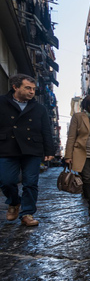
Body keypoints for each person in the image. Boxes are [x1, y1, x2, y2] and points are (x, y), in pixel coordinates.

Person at [0, 74, 55, 226]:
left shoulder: (39, 108)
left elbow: (46, 130)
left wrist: (50, 150)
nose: (32, 92)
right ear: (15, 87)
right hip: (6, 147)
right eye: (28, 88)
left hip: (32, 148)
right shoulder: (2, 102)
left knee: (30, 183)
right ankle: (14, 202)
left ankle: (27, 213)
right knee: (6, 181)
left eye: (33, 89)